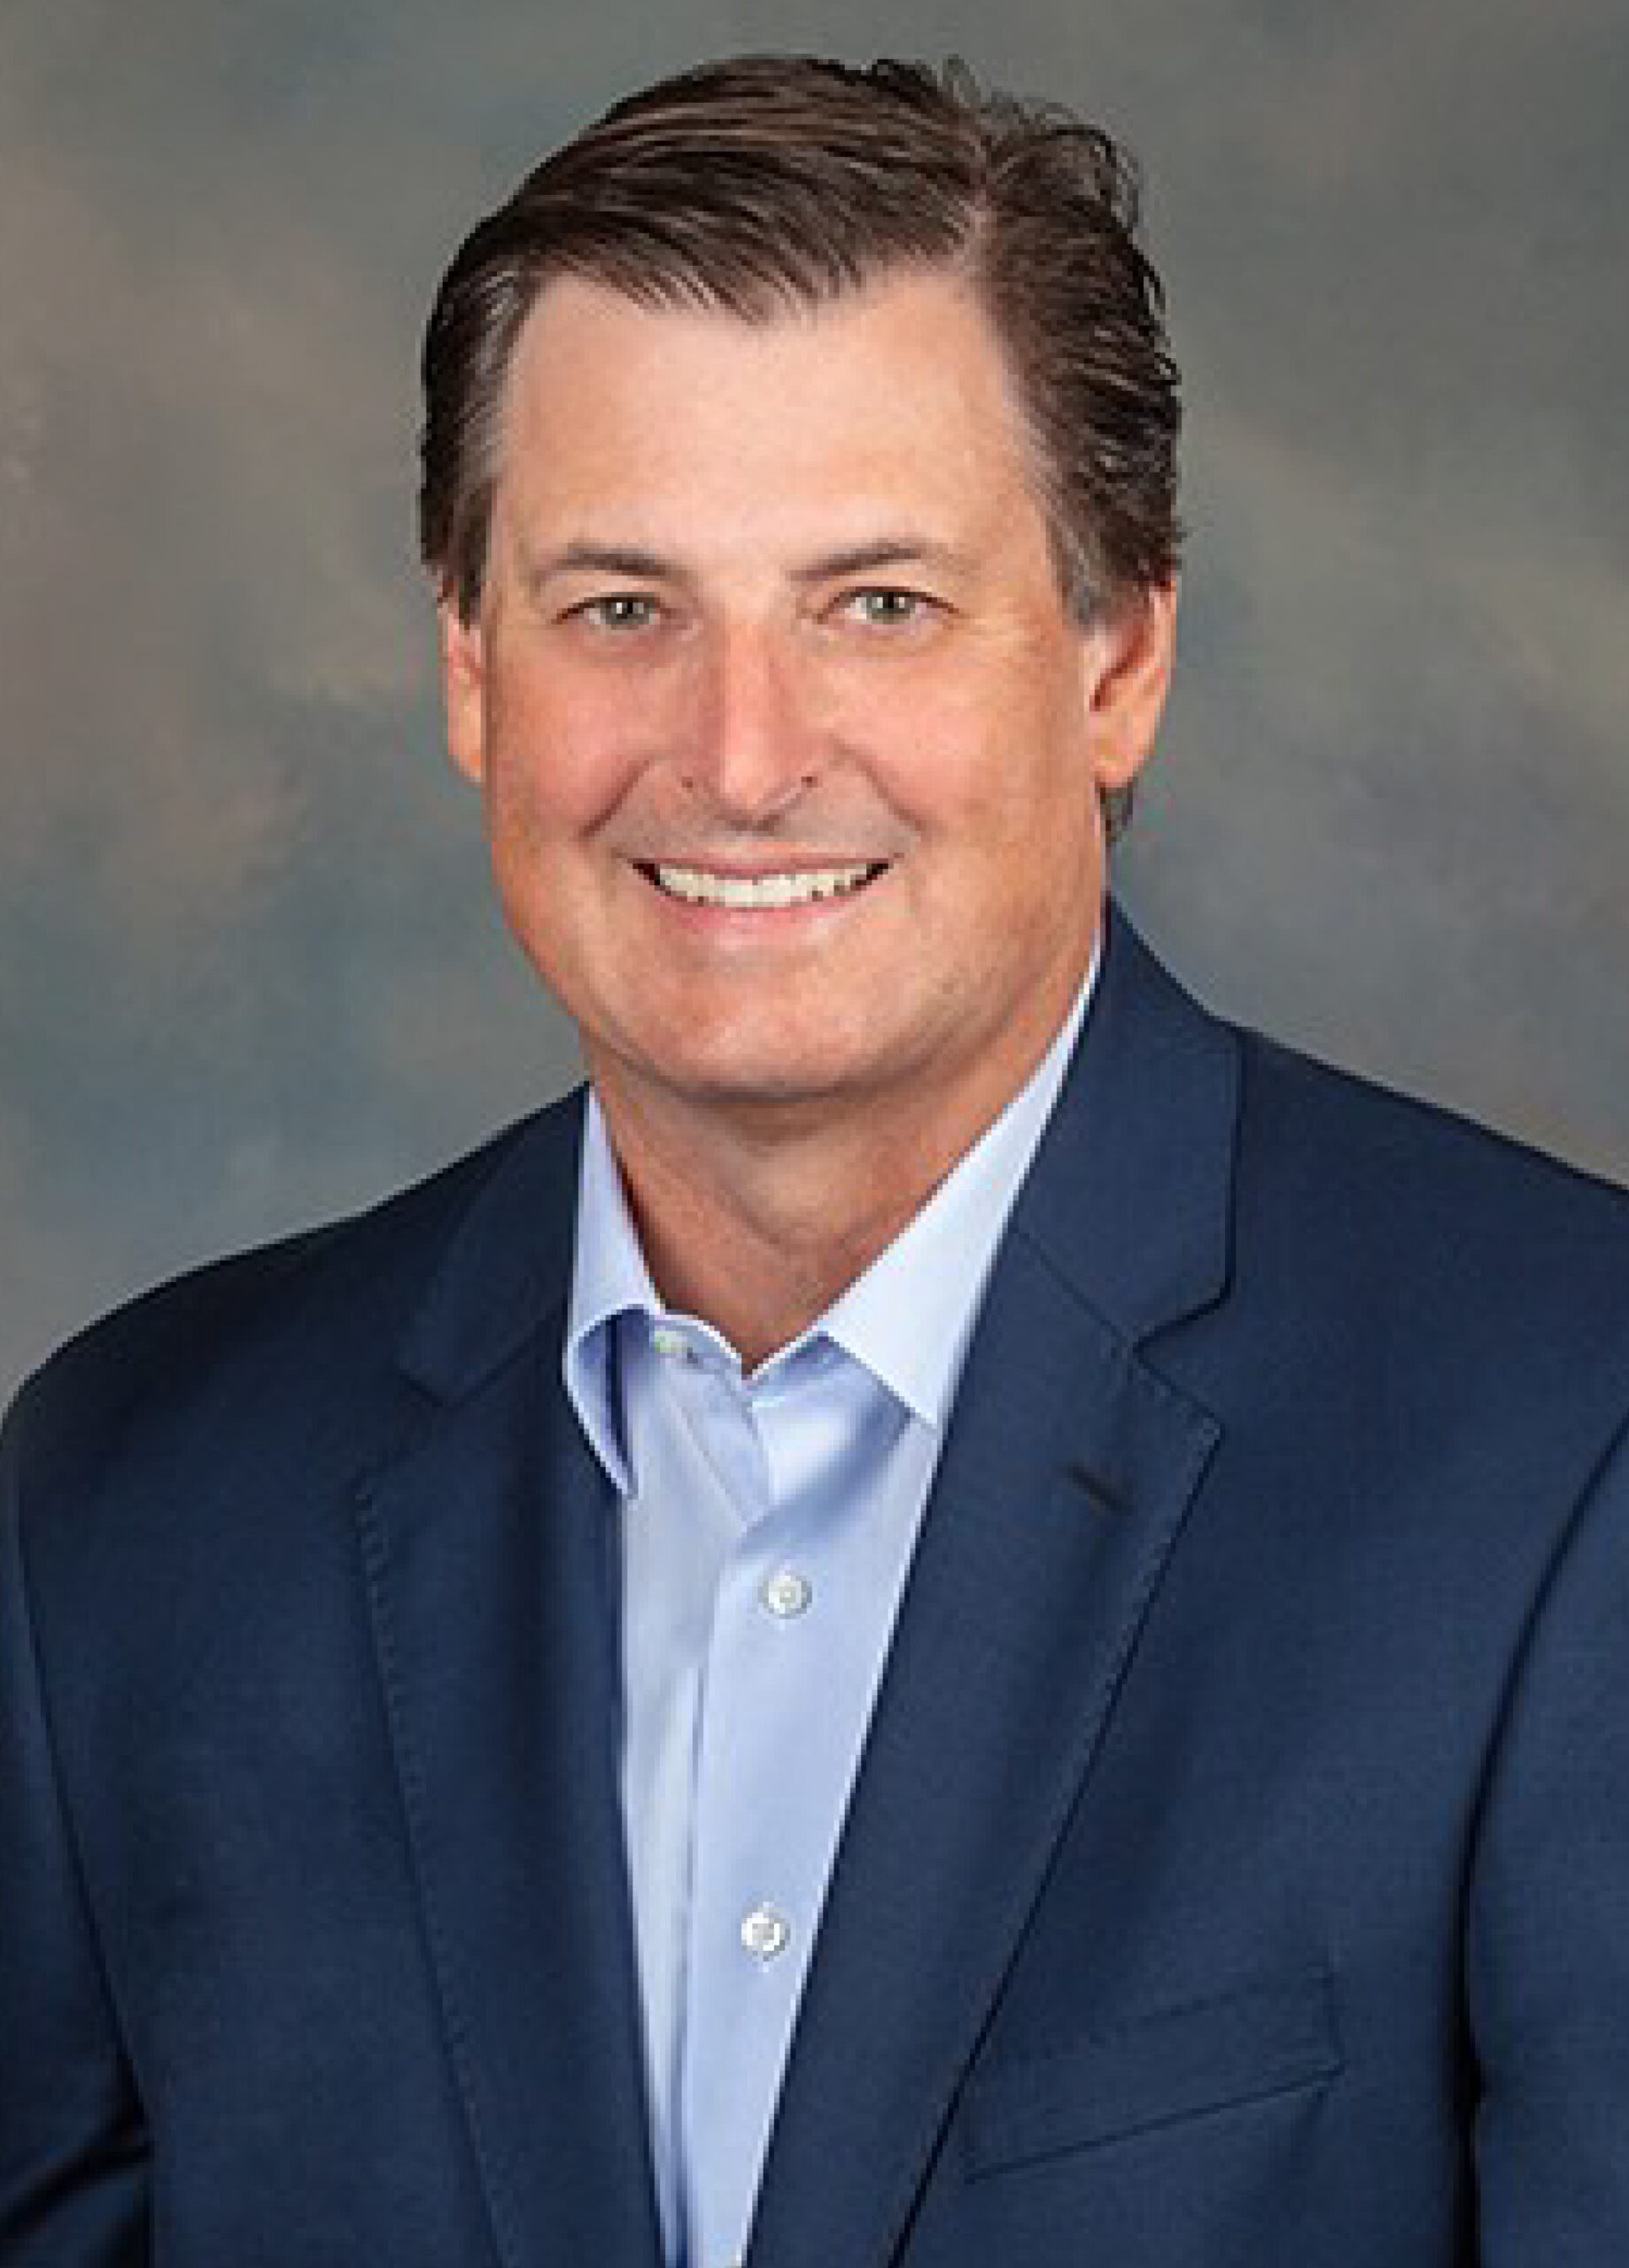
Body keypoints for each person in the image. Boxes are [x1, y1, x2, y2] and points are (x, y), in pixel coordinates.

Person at [3, 52, 1627, 2268]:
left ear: (1117, 660)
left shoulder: (1562, 1451)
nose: (740, 755)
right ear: (467, 668)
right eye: (619, 606)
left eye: (875, 602)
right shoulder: (132, 1508)